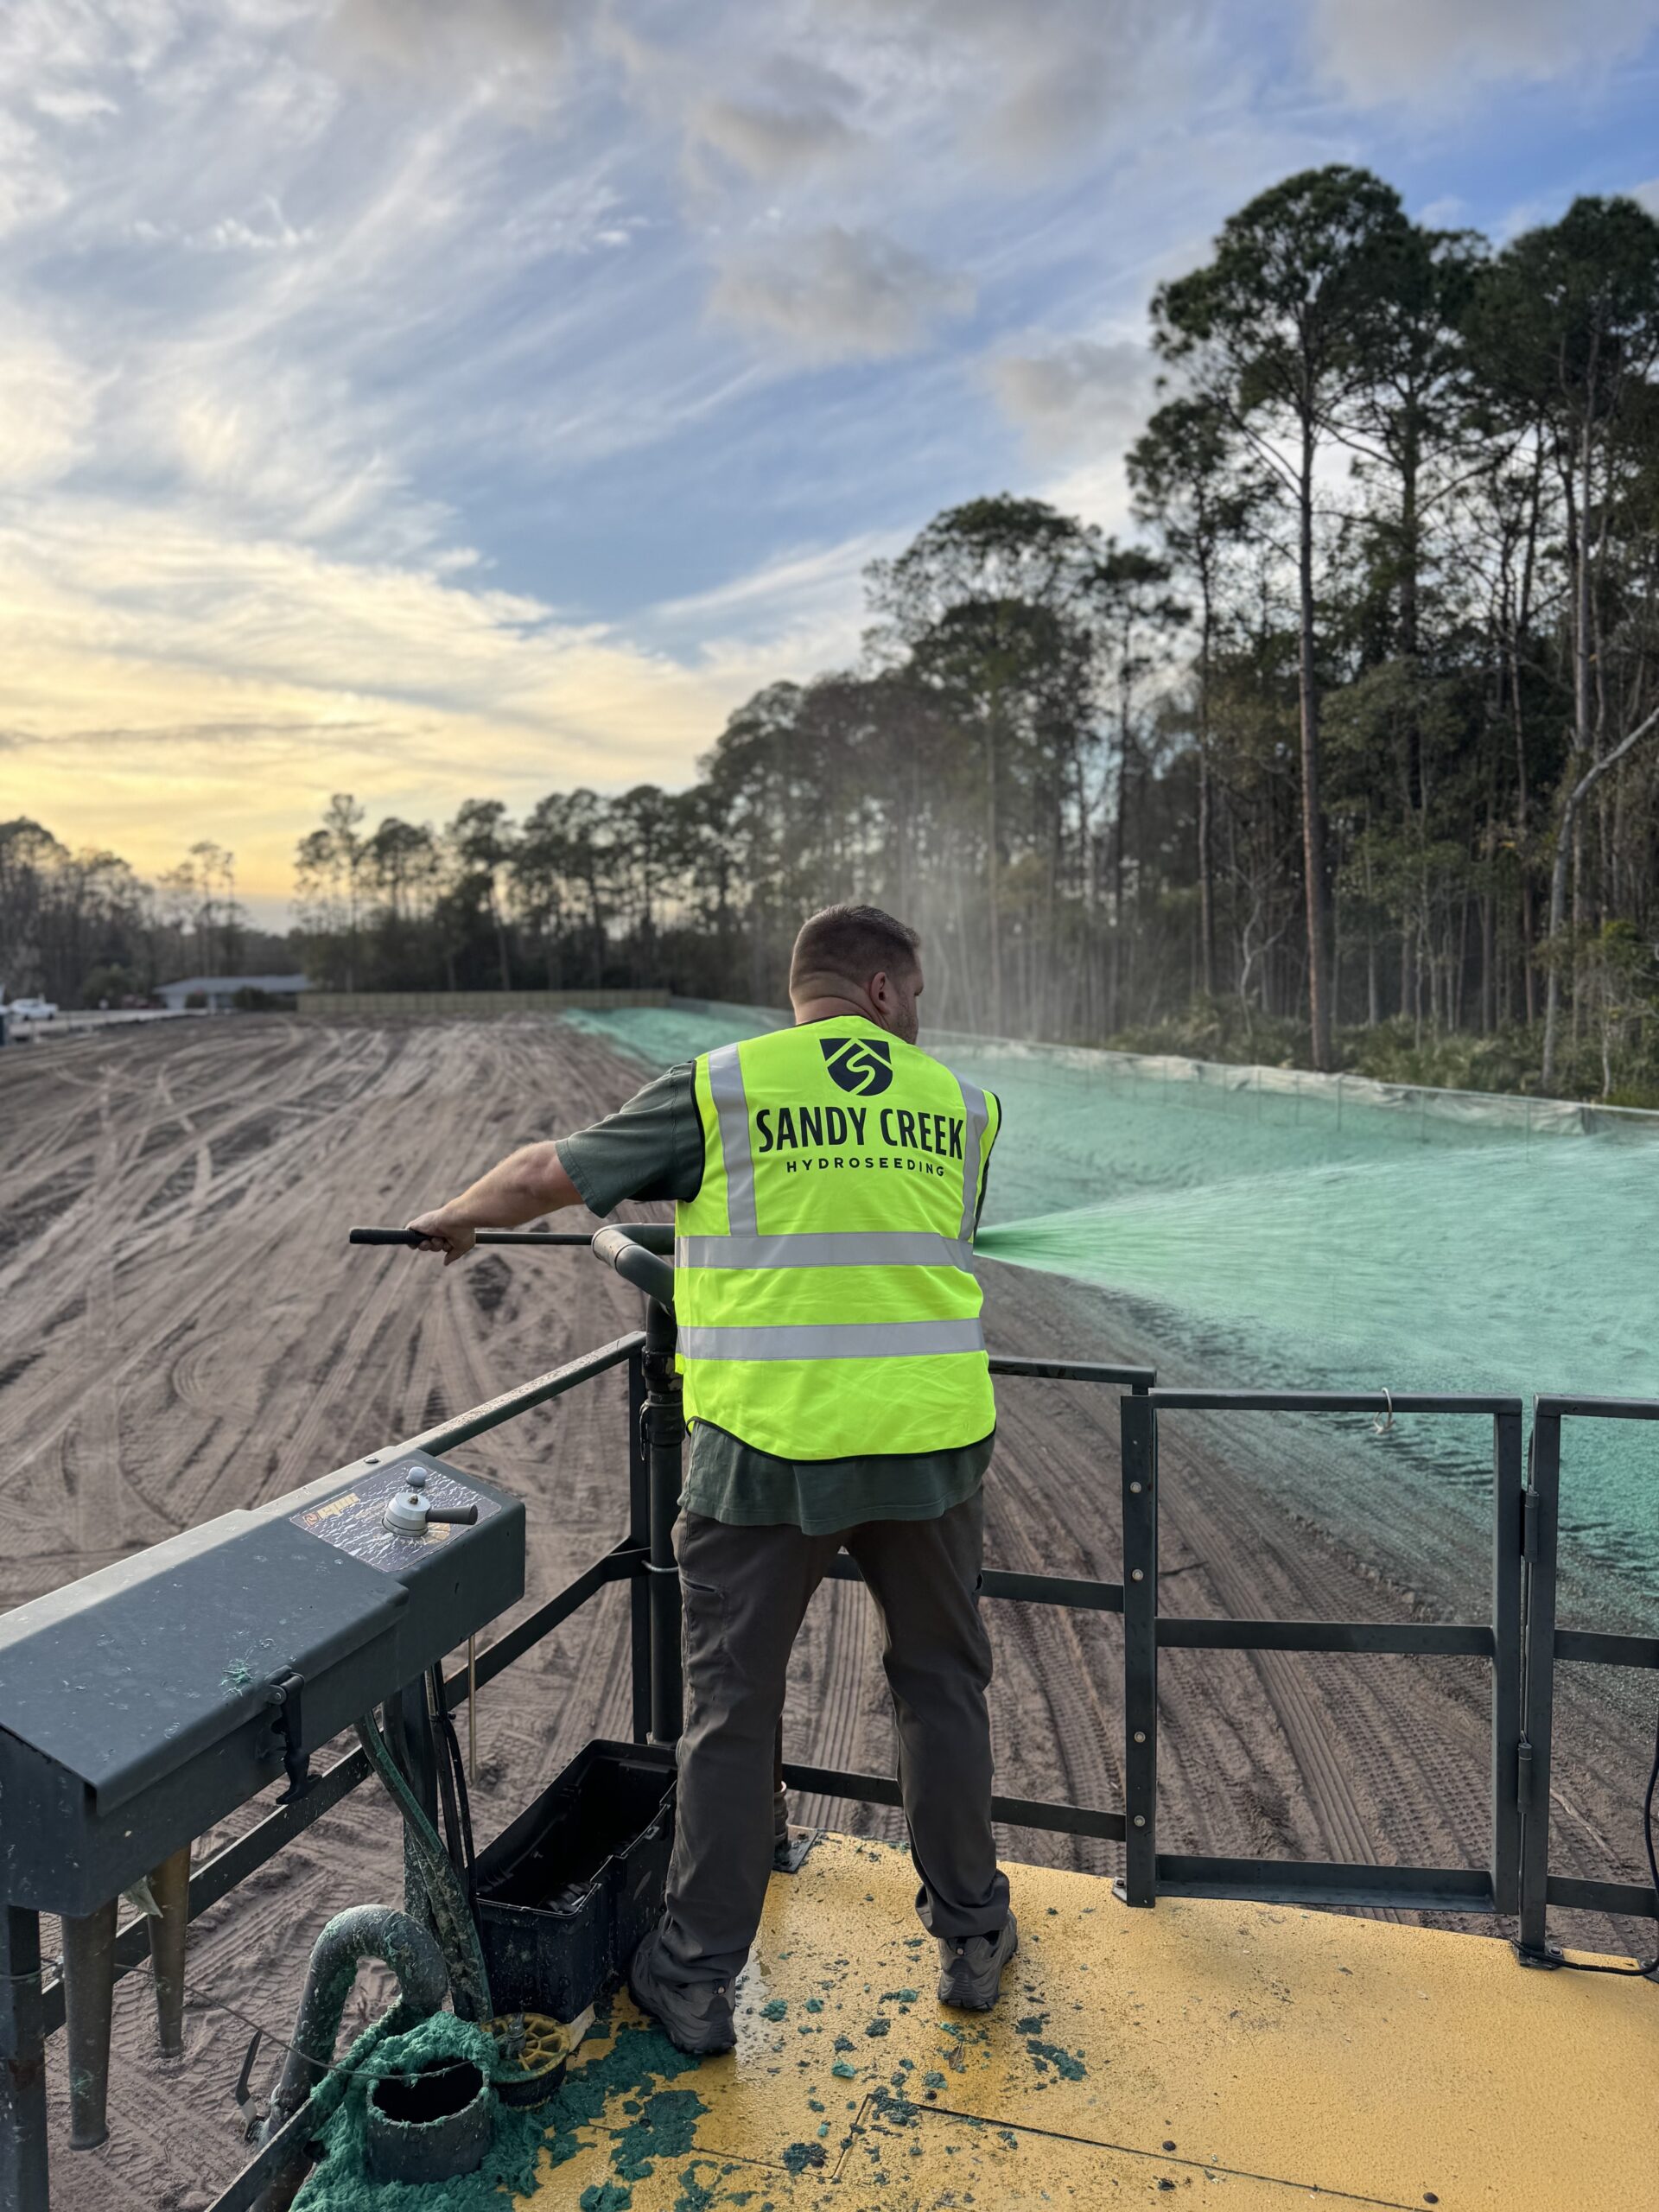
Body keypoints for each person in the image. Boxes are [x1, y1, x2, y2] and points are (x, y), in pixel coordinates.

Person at [407, 903, 1014, 2054]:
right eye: (916, 996)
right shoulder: (964, 1106)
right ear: (882, 992)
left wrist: (459, 1218)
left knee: (733, 1714)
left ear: (804, 989)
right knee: (942, 1689)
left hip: (765, 1455)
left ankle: (694, 1978)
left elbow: (547, 1173)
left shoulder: (722, 1087)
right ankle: (974, 1935)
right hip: (930, 1449)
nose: (918, 1016)